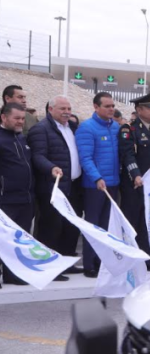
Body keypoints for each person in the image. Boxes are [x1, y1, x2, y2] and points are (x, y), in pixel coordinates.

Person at [28, 95, 82, 274]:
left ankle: (66, 263)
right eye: (62, 109)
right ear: (50, 109)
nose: (67, 112)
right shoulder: (40, 129)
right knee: (51, 227)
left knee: (71, 226)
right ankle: (50, 267)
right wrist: (51, 167)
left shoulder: (73, 128)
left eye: (69, 109)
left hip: (74, 185)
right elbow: (37, 156)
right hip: (53, 187)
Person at [75, 92, 120, 278]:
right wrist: (96, 178)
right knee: (93, 226)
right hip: (95, 186)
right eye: (107, 106)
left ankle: (102, 261)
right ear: (96, 107)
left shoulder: (116, 127)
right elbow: (85, 158)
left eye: (112, 106)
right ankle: (89, 264)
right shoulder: (87, 128)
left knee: (106, 226)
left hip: (114, 183)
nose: (111, 109)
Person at [118, 93, 150, 262]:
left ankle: (148, 256)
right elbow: (127, 155)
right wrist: (135, 175)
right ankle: (132, 257)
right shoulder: (129, 129)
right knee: (134, 220)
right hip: (136, 184)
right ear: (139, 110)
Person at [0, 103, 35, 285]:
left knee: (19, 241)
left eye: (22, 118)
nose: (21, 122)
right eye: (17, 118)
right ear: (4, 118)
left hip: (26, 198)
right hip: (6, 200)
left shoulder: (21, 138)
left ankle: (13, 274)